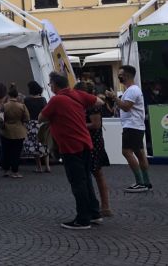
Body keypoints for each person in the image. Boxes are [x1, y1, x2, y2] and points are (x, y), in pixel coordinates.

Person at [40, 71, 103, 230]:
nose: (50, 87)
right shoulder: (78, 94)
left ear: (54, 85)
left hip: (70, 145)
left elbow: (41, 117)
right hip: (85, 143)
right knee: (86, 179)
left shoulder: (57, 100)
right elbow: (99, 102)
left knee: (77, 182)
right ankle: (94, 213)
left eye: (50, 84)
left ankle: (82, 219)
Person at [109, 65, 151, 193]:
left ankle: (140, 182)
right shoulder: (131, 90)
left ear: (126, 76)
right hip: (135, 125)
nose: (119, 76)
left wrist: (114, 97)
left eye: (120, 74)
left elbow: (126, 107)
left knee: (126, 151)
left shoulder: (132, 90)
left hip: (132, 125)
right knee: (139, 153)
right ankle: (146, 182)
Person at [75, 82, 112, 216]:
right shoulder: (88, 105)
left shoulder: (93, 106)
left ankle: (105, 206)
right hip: (90, 141)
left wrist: (79, 125)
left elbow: (96, 124)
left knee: (97, 173)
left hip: (94, 142)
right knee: (94, 174)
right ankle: (102, 206)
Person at [0, 84, 29, 179]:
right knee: (16, 153)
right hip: (18, 131)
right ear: (17, 96)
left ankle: (6, 170)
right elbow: (26, 118)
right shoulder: (22, 106)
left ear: (9, 95)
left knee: (6, 151)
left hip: (6, 131)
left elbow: (0, 118)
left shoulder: (4, 106)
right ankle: (15, 171)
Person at [23, 81, 50, 173]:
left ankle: (39, 167)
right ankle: (47, 166)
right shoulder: (43, 99)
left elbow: (25, 113)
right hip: (42, 123)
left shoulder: (27, 100)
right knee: (44, 143)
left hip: (31, 124)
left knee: (34, 145)